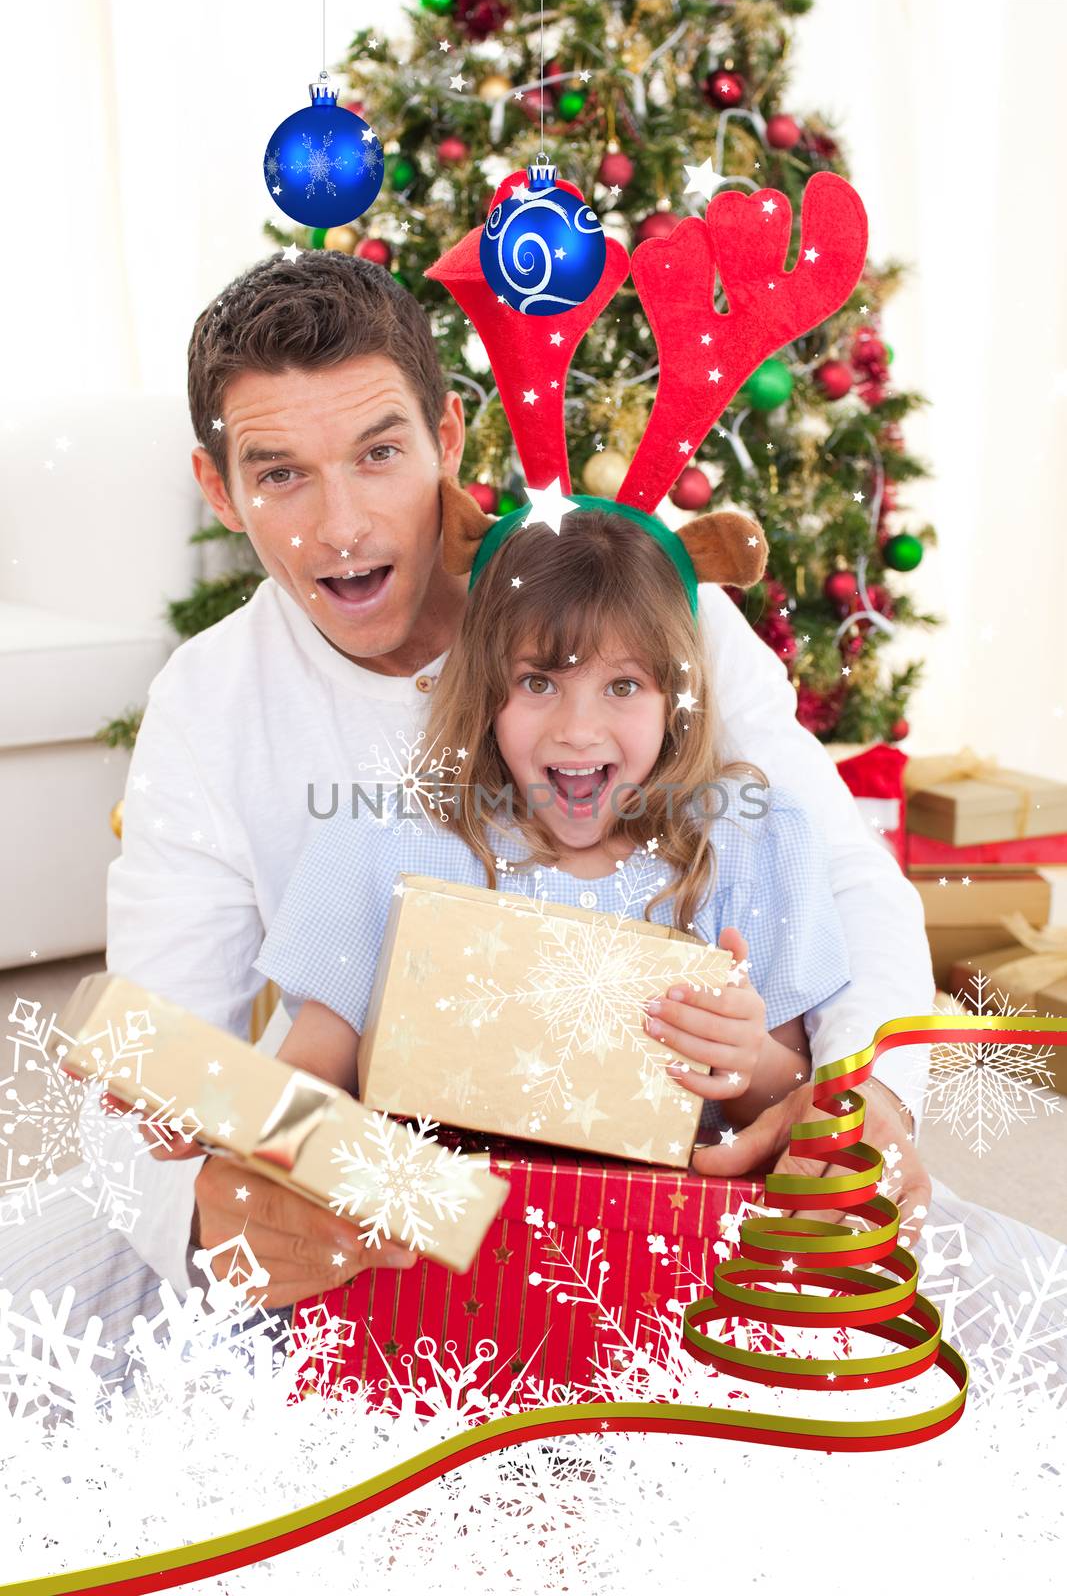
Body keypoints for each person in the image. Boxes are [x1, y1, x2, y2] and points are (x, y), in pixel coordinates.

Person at [8, 252, 1057, 1382]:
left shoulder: (654, 608)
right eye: (280, 475)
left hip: (682, 1210)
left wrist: (854, 1110)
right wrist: (211, 1202)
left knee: (1019, 1330)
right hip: (393, 1224)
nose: (343, 523)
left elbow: (848, 893)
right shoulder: (240, 727)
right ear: (220, 491)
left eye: (379, 454)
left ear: (447, 438)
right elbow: (179, 1044)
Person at [253, 497, 852, 1245]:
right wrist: (258, 1152)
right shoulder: (389, 839)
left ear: (678, 698)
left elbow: (789, 1104)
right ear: (485, 688)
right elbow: (305, 1079)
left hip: (657, 1248)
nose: (577, 728)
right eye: (538, 681)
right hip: (427, 1250)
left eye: (623, 686)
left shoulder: (742, 841)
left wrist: (746, 1057)